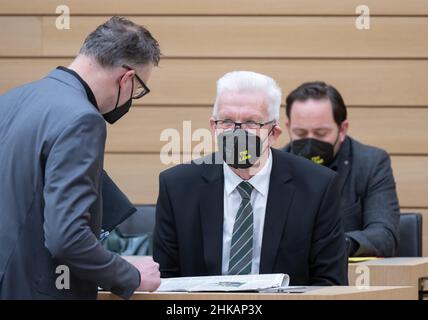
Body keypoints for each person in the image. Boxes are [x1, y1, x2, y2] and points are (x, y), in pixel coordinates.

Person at [0, 17, 161, 299]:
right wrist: (129, 275)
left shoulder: (11, 100)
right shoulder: (82, 119)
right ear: (126, 78)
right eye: (138, 89)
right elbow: (67, 238)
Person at [153, 71, 348, 285]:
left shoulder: (317, 186)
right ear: (213, 127)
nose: (237, 133)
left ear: (274, 133)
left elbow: (330, 284)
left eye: (251, 123)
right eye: (226, 121)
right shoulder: (177, 186)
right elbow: (165, 283)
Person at [282, 81, 400, 257]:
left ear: (342, 129)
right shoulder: (275, 165)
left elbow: (384, 236)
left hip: (347, 276)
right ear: (288, 128)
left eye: (321, 133)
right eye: (300, 133)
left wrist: (335, 245)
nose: (310, 141)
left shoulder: (370, 163)